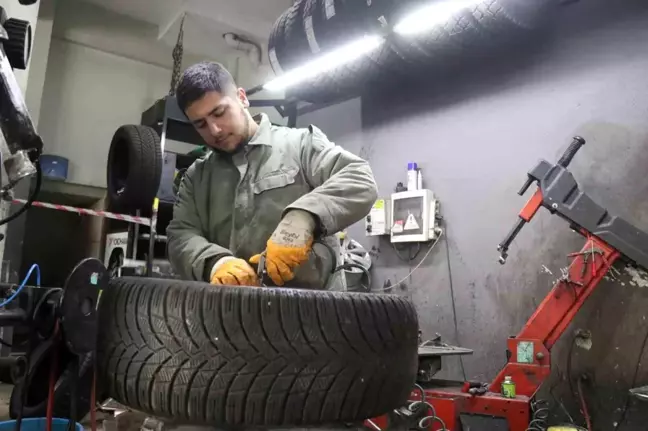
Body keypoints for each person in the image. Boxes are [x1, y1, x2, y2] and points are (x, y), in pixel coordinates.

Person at [166, 61, 378, 290]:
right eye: (201, 124)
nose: (214, 130)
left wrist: (303, 218)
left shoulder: (300, 145)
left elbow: (359, 178)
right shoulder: (196, 178)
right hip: (230, 314)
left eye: (219, 113)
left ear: (242, 98)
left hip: (314, 314)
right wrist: (215, 263)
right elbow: (180, 235)